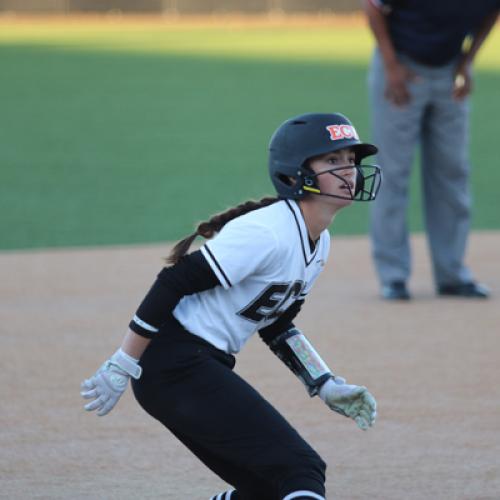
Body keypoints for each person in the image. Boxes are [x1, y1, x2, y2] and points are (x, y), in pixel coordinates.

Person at [80, 112, 382, 500]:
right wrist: (124, 360)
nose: (349, 171)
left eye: (351, 160)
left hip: (189, 369)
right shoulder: (268, 232)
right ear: (294, 175)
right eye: (332, 161)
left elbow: (277, 325)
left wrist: (324, 383)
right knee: (300, 471)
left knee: (268, 486)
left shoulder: (317, 241)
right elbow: (175, 280)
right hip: (174, 366)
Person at [364, 0, 498, 300]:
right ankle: (393, 276)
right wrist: (391, 67)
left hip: (449, 72)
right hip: (401, 66)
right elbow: (372, 8)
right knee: (393, 173)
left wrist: (467, 61)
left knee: (452, 171)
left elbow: (492, 13)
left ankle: (451, 274)